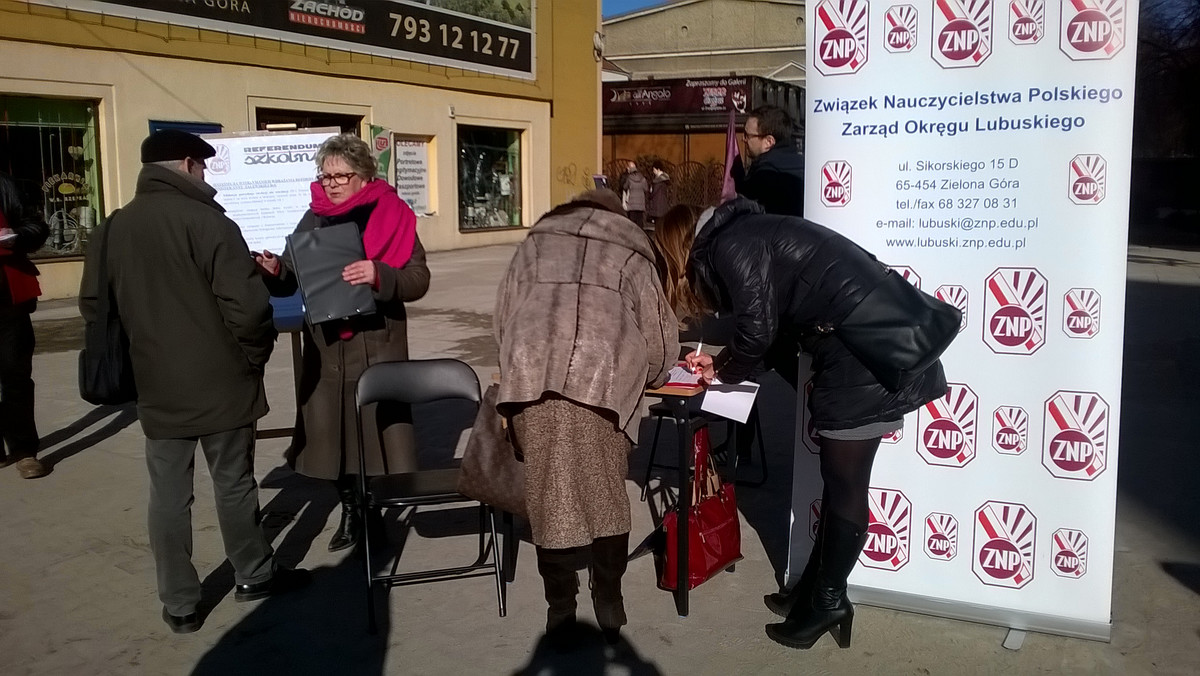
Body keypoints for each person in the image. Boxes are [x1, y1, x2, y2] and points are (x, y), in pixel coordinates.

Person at [673, 197, 948, 650]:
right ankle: (814, 591)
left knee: (846, 485)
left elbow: (758, 331)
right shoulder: (751, 233)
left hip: (863, 360)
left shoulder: (731, 244)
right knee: (838, 483)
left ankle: (828, 602)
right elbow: (774, 329)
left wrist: (721, 373)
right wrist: (722, 364)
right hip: (857, 355)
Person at [79, 129, 309, 634]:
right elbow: (248, 308)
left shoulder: (112, 228)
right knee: (232, 483)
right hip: (222, 377)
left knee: (167, 494)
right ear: (186, 164)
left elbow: (95, 309)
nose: (206, 175)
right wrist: (252, 357)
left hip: (155, 382)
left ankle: (180, 604)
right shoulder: (208, 222)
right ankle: (254, 574)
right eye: (203, 166)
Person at [494, 189, 679, 645]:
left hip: (530, 371)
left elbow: (503, 319)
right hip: (604, 377)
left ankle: (560, 609)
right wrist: (653, 373)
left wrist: (515, 369)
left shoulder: (533, 243)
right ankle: (610, 600)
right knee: (605, 493)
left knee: (549, 496)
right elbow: (657, 333)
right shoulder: (631, 249)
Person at [256, 132, 429, 553]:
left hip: (377, 343)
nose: (331, 183)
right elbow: (293, 278)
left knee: (372, 432)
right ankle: (350, 507)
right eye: (326, 175)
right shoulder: (312, 218)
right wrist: (276, 270)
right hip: (328, 348)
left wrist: (379, 276)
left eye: (340, 175)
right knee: (331, 433)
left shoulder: (393, 213)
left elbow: (417, 280)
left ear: (364, 176)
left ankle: (370, 509)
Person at [0, 174, 49, 479]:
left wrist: (16, 236)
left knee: (15, 374)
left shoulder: (6, 184)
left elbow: (37, 225)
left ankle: (24, 451)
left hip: (7, 296)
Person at [732, 105, 806, 216]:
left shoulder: (763, 177)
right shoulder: (806, 168)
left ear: (769, 142)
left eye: (747, 135)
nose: (743, 139)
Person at [619, 161, 649, 229]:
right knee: (640, 222)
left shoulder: (629, 178)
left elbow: (625, 187)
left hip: (632, 204)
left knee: (632, 222)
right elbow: (646, 189)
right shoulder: (643, 178)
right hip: (641, 204)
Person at [646, 161, 671, 228]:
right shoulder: (666, 180)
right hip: (663, 206)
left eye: (654, 170)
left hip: (657, 207)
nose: (653, 171)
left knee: (657, 226)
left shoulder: (658, 181)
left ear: (658, 169)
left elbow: (653, 193)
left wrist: (650, 193)